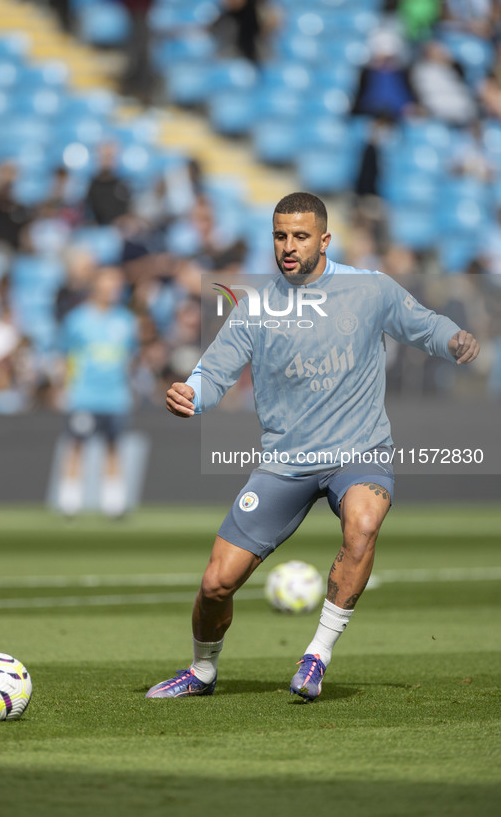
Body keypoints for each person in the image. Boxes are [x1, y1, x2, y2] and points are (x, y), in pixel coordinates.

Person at [146, 191, 480, 700]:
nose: (288, 246)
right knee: (217, 583)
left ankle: (317, 655)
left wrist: (455, 338)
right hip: (286, 462)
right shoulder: (254, 306)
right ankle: (202, 670)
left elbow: (423, 324)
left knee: (363, 524)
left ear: (324, 239)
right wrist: (191, 394)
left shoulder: (368, 289)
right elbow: (213, 373)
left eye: (300, 236)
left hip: (359, 450)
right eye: (280, 235)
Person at [57, 265, 138, 518]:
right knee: (76, 445)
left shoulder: (126, 320)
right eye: (109, 283)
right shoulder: (77, 320)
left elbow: (131, 358)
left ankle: (113, 503)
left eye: (117, 284)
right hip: (84, 395)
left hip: (115, 396)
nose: (114, 289)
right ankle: (68, 502)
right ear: (96, 286)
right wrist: (64, 388)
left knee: (114, 446)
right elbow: (64, 356)